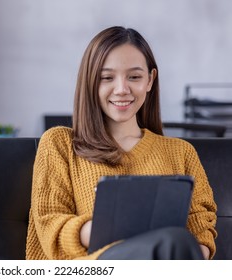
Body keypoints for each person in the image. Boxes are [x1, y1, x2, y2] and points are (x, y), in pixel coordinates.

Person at [26, 26, 217, 260]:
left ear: (150, 80)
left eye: (134, 77)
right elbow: (50, 224)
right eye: (107, 78)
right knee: (171, 241)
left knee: (174, 243)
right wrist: (115, 228)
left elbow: (201, 232)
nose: (121, 89)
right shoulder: (59, 144)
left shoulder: (181, 153)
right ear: (91, 82)